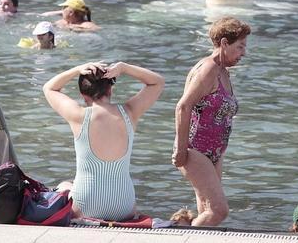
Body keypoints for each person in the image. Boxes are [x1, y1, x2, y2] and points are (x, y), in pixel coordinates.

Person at [42, 61, 164, 221]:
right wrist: (124, 67)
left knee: (65, 185)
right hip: (123, 207)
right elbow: (157, 81)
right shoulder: (130, 112)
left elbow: (49, 88)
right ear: (110, 89)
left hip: (86, 207)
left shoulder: (77, 115)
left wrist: (76, 69)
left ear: (82, 95)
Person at [173, 17, 250, 226]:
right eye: (240, 46)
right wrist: (181, 150)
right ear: (224, 43)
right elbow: (183, 106)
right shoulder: (207, 70)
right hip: (195, 149)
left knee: (207, 212)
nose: (243, 52)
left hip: (215, 153)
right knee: (218, 211)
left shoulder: (223, 72)